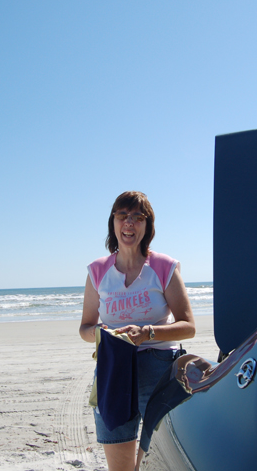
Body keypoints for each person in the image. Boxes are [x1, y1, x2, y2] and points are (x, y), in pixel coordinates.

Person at [80, 191, 196, 471]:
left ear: (147, 225)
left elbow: (188, 326)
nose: (129, 222)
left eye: (138, 217)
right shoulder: (97, 270)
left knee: (165, 458)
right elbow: (85, 328)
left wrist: (147, 333)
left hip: (158, 365)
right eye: (122, 216)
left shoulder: (163, 266)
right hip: (113, 366)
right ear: (114, 223)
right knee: (119, 460)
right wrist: (103, 332)